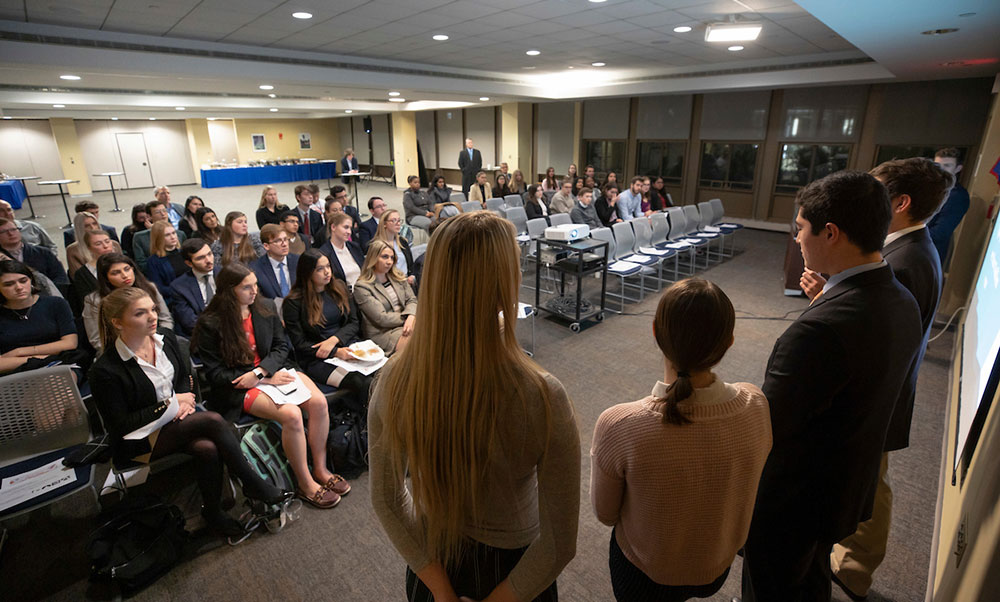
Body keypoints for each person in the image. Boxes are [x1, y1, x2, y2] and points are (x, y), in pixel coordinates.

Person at [370, 211, 580, 602]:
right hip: (515, 573)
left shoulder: (395, 377)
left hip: (433, 567)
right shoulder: (542, 395)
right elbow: (559, 542)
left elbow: (386, 498)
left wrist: (444, 595)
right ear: (506, 283)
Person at [741, 171, 923, 602]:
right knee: (810, 580)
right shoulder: (901, 300)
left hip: (792, 503)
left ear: (831, 232)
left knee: (772, 588)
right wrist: (827, 302)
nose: (796, 239)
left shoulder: (819, 332)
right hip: (845, 487)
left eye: (800, 229)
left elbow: (768, 427)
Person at [798, 159, 953, 599]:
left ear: (900, 203)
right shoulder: (913, 248)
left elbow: (873, 336)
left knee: (868, 484)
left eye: (877, 189)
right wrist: (831, 295)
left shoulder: (903, 262)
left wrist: (827, 303)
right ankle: (851, 559)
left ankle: (853, 566)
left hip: (875, 398)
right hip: (886, 389)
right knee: (867, 480)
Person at [591, 279, 771, 601]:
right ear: (729, 342)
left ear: (655, 332)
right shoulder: (757, 405)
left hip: (646, 574)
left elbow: (605, 514)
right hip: (715, 568)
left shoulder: (619, 424)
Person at [89, 286, 293, 537]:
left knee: (206, 447)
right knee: (213, 420)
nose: (152, 316)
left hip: (180, 422)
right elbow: (120, 426)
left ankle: (213, 511)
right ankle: (251, 483)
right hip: (137, 443)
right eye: (140, 314)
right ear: (117, 322)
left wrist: (185, 402)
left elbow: (188, 377)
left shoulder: (165, 338)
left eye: (153, 309)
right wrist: (171, 405)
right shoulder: (105, 369)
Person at [193, 262, 348, 509]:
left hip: (271, 370)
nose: (254, 291)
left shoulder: (263, 308)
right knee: (292, 414)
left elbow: (281, 346)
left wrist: (263, 371)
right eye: (247, 287)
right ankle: (305, 482)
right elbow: (216, 374)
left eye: (255, 285)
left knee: (318, 403)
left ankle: (320, 469)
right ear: (229, 290)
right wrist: (259, 377)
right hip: (239, 386)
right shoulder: (211, 323)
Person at [282, 249, 373, 411]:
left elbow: (353, 323)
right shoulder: (294, 302)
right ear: (307, 272)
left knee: (386, 374)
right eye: (320, 269)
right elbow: (300, 344)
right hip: (317, 357)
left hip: (347, 345)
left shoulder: (339, 287)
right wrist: (335, 352)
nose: (327, 272)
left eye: (328, 267)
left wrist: (334, 341)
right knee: (362, 382)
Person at [0, 259, 83, 377]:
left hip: (59, 365)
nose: (19, 287)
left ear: (31, 281)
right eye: (9, 284)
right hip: (14, 370)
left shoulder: (55, 303)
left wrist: (19, 352)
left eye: (23, 281)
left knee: (61, 382)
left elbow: (70, 343)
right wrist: (40, 359)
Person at [84, 253, 172, 353]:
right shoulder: (95, 300)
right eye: (116, 273)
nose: (125, 275)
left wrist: (157, 340)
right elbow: (97, 339)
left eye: (127, 269)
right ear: (106, 278)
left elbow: (165, 319)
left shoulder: (149, 287)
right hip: (118, 351)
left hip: (157, 341)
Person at [353, 240, 417, 354]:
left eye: (392, 258)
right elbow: (382, 318)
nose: (389, 262)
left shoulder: (398, 277)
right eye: (385, 257)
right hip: (383, 332)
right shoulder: (362, 287)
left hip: (407, 324)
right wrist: (408, 318)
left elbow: (412, 300)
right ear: (373, 258)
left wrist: (412, 316)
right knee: (419, 339)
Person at [927, 147, 970, 267]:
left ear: (958, 168)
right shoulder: (928, 187)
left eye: (947, 166)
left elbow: (940, 233)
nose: (940, 170)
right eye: (937, 165)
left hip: (928, 254)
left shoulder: (958, 196)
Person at [0, 217, 68, 289]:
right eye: (4, 232)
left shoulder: (43, 252)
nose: (10, 234)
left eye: (13, 229)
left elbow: (60, 277)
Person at [169, 238, 217, 337]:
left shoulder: (225, 274)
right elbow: (189, 322)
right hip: (204, 335)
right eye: (201, 258)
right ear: (189, 263)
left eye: (209, 254)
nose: (208, 260)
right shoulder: (179, 287)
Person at [134, 200, 187, 271]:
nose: (163, 214)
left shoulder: (180, 234)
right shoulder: (140, 237)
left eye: (164, 211)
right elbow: (141, 263)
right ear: (149, 216)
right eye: (158, 212)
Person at [67, 211, 122, 278]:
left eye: (94, 223)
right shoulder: (73, 250)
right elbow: (77, 276)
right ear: (80, 228)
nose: (92, 228)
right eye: (87, 226)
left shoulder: (114, 244)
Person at [251, 224, 299, 300]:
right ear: (266, 246)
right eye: (278, 241)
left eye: (286, 239)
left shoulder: (298, 261)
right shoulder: (256, 269)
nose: (284, 244)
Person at [319, 213, 365, 289]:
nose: (349, 232)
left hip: (363, 290)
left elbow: (364, 270)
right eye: (346, 227)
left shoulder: (354, 247)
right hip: (343, 295)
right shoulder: (324, 252)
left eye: (350, 228)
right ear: (333, 227)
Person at [72, 228, 118, 301]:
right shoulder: (82, 274)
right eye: (98, 244)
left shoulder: (124, 263)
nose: (105, 246)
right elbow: (85, 300)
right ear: (89, 248)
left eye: (107, 241)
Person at [373, 210, 416, 287]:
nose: (398, 223)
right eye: (393, 220)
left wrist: (412, 276)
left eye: (399, 220)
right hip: (388, 284)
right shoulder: (377, 245)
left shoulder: (402, 242)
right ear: (384, 224)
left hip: (406, 282)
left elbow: (410, 265)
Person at [146, 221, 187, 300]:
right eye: (167, 235)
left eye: (174, 233)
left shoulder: (184, 252)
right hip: (174, 298)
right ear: (159, 238)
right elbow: (159, 287)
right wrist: (181, 292)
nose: (173, 237)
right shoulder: (153, 261)